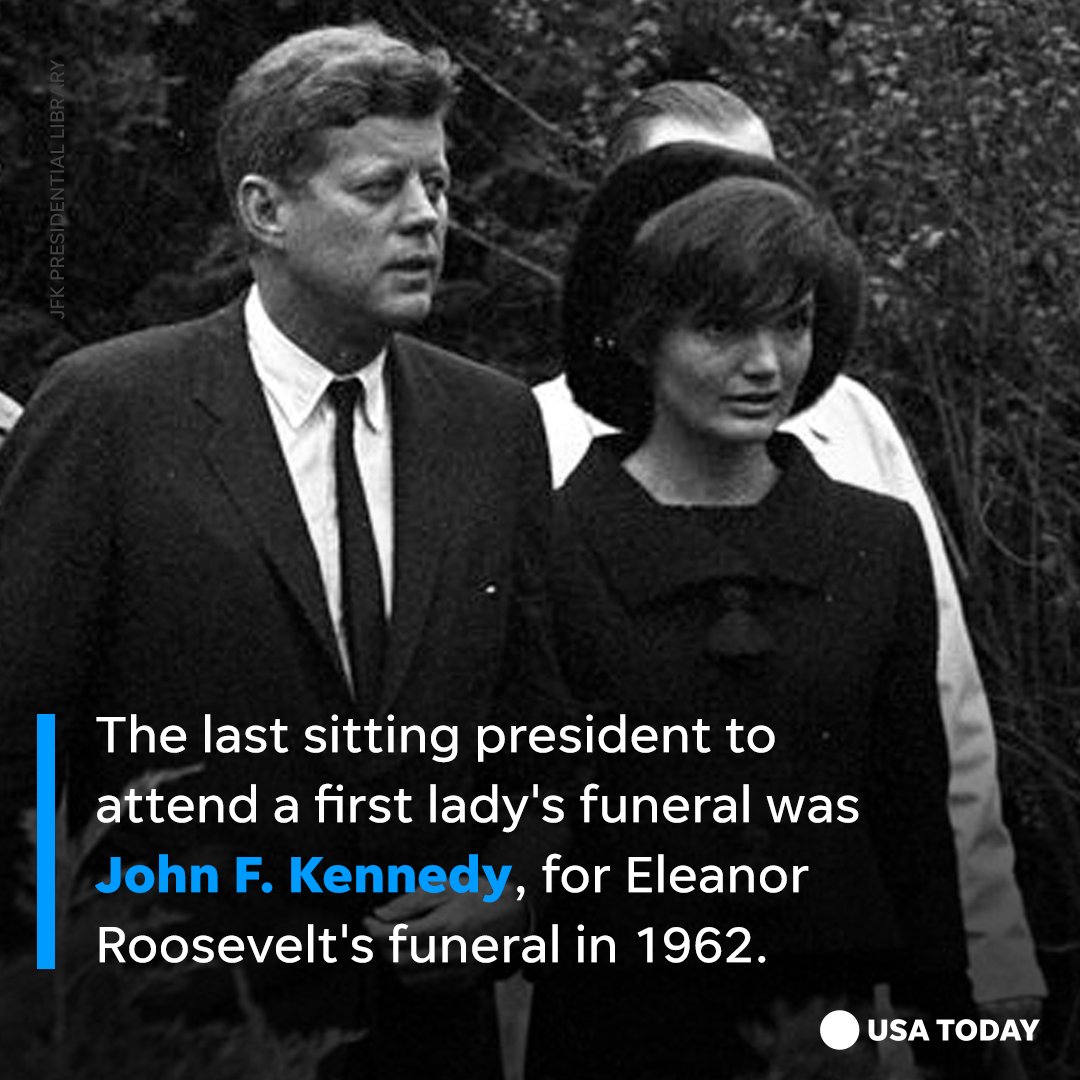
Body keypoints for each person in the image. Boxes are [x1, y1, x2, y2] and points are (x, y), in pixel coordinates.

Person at [0, 23, 569, 1079]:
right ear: (266, 210)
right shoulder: (110, 411)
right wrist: (47, 996)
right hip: (174, 1036)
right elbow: (21, 742)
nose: (426, 217)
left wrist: (516, 886)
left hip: (425, 1042)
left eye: (437, 185)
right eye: (380, 187)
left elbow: (545, 724)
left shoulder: (494, 425)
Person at [533, 81, 1045, 1022]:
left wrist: (988, 975)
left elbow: (941, 737)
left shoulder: (857, 445)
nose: (763, 359)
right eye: (690, 188)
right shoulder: (531, 460)